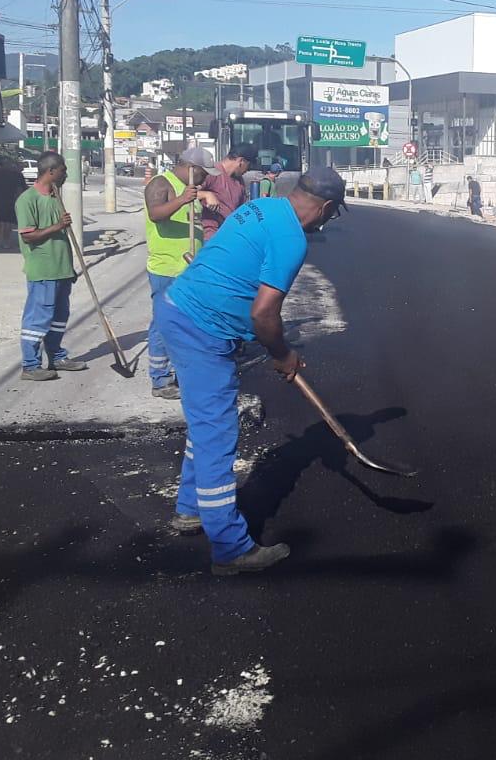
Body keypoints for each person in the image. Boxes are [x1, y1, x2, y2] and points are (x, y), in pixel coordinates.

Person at [158, 168, 347, 575]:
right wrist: (282, 354)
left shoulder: (261, 207)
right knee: (217, 434)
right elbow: (264, 314)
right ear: (326, 207)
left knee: (205, 423)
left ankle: (191, 509)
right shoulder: (291, 239)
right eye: (333, 214)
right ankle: (230, 548)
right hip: (200, 328)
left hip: (179, 310)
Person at [143, 146, 212, 400]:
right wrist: (182, 199)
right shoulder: (160, 184)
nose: (205, 179)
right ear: (191, 168)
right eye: (203, 174)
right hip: (167, 268)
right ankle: (160, 379)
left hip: (187, 267)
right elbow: (156, 214)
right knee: (164, 323)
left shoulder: (189, 188)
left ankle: (178, 373)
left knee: (186, 324)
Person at [15, 151, 88, 382]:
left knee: (59, 318)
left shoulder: (56, 196)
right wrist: (58, 226)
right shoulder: (27, 200)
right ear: (51, 171)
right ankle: (30, 365)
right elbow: (29, 236)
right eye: (64, 170)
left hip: (62, 270)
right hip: (43, 271)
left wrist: (70, 267)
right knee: (38, 319)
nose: (66, 174)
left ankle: (56, 357)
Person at [198, 144, 257, 242]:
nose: (248, 170)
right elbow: (185, 193)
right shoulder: (213, 172)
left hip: (230, 235)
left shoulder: (239, 181)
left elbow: (241, 210)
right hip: (211, 236)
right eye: (249, 165)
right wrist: (206, 194)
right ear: (241, 161)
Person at [0, 156, 26, 248]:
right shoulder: (16, 174)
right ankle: (6, 241)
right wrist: (19, 200)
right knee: (8, 221)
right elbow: (20, 188)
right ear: (10, 164)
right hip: (10, 200)